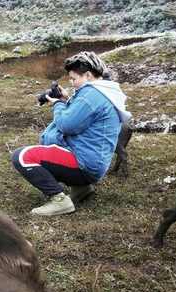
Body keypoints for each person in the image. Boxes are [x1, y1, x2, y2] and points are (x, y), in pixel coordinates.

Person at [11, 51, 131, 216]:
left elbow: (66, 125)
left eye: (74, 79)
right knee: (48, 151)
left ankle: (60, 201)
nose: (72, 83)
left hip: (84, 162)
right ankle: (81, 188)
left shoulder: (91, 95)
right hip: (93, 163)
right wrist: (68, 100)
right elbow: (83, 118)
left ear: (88, 75)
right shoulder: (104, 93)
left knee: (22, 156)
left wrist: (58, 104)